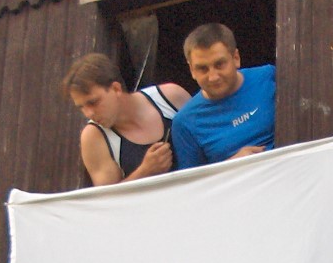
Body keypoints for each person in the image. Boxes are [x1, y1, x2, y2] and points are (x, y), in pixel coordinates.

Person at [63, 52, 190, 185]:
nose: (88, 113)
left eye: (93, 102)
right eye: (81, 107)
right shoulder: (94, 137)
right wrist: (144, 172)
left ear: (116, 89)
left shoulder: (170, 97)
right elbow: (108, 196)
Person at [170, 24, 275, 168]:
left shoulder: (268, 77)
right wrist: (230, 166)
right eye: (202, 69)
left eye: (219, 64)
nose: (213, 77)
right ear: (192, 70)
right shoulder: (185, 122)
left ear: (236, 58)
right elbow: (193, 180)